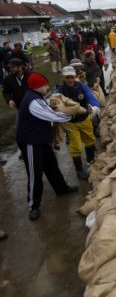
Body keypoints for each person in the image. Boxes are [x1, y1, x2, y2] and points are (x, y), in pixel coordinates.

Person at [16, 72, 79, 220]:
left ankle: (61, 189)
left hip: (41, 139)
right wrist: (75, 114)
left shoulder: (37, 96)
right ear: (37, 86)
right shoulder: (33, 101)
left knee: (51, 165)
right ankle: (33, 206)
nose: (47, 87)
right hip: (30, 142)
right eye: (45, 85)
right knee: (35, 173)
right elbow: (53, 116)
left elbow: (49, 111)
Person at [56, 66, 100, 180]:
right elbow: (56, 103)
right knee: (75, 146)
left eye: (72, 77)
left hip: (85, 119)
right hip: (70, 123)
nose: (70, 80)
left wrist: (94, 106)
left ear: (75, 77)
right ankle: (79, 170)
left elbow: (90, 96)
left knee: (90, 139)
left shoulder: (82, 86)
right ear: (63, 78)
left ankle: (91, 161)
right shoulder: (60, 90)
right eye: (67, 78)